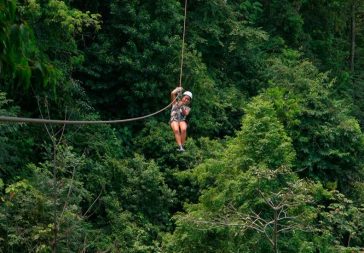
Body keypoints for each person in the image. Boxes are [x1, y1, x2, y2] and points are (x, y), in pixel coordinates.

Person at [170, 86, 192, 152]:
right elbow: (172, 93)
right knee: (176, 130)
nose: (186, 100)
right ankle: (180, 146)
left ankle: (182, 146)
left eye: (188, 99)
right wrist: (177, 89)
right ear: (183, 97)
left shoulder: (188, 108)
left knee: (184, 129)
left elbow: (185, 113)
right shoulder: (175, 103)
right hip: (174, 119)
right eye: (185, 98)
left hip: (181, 120)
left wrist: (182, 105)